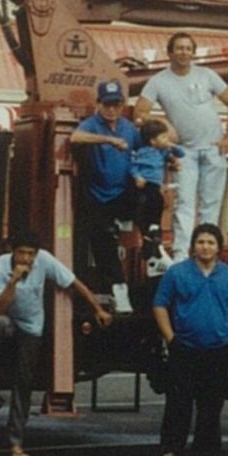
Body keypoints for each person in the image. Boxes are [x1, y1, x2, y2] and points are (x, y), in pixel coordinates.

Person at [0, 232, 112, 456]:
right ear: (12, 252)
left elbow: (73, 282)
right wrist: (13, 281)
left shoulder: (44, 260)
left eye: (30, 254)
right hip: (8, 321)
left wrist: (97, 309)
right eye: (21, 252)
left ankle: (16, 442)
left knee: (23, 382)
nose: (26, 258)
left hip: (32, 327)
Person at [134, 32, 228, 261]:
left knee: (211, 205)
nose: (184, 52)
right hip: (185, 152)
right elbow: (140, 112)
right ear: (170, 52)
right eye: (179, 48)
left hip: (214, 148)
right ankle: (182, 256)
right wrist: (165, 128)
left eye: (188, 48)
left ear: (193, 52)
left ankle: (208, 254)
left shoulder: (207, 75)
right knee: (184, 204)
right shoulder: (158, 81)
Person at [152, 223, 228, 456]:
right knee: (178, 403)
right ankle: (171, 452)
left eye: (210, 242)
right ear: (193, 246)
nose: (205, 247)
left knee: (212, 404)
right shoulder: (177, 273)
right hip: (184, 348)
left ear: (218, 248)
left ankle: (208, 454)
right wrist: (171, 338)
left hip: (217, 350)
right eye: (200, 242)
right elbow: (160, 305)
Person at [70, 79, 141, 313]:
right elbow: (75, 138)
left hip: (123, 194)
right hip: (98, 197)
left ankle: (153, 244)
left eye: (117, 105)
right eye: (108, 104)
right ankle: (118, 290)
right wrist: (108, 140)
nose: (112, 109)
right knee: (102, 242)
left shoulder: (130, 129)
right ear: (99, 104)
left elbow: (148, 145)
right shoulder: (91, 124)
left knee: (150, 197)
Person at [131, 119, 184, 273]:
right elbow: (133, 166)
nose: (166, 140)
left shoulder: (164, 152)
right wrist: (137, 177)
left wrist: (172, 146)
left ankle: (153, 232)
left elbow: (181, 153)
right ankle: (148, 235)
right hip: (145, 184)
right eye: (163, 138)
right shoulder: (142, 152)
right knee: (143, 207)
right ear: (153, 141)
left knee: (158, 203)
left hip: (155, 186)